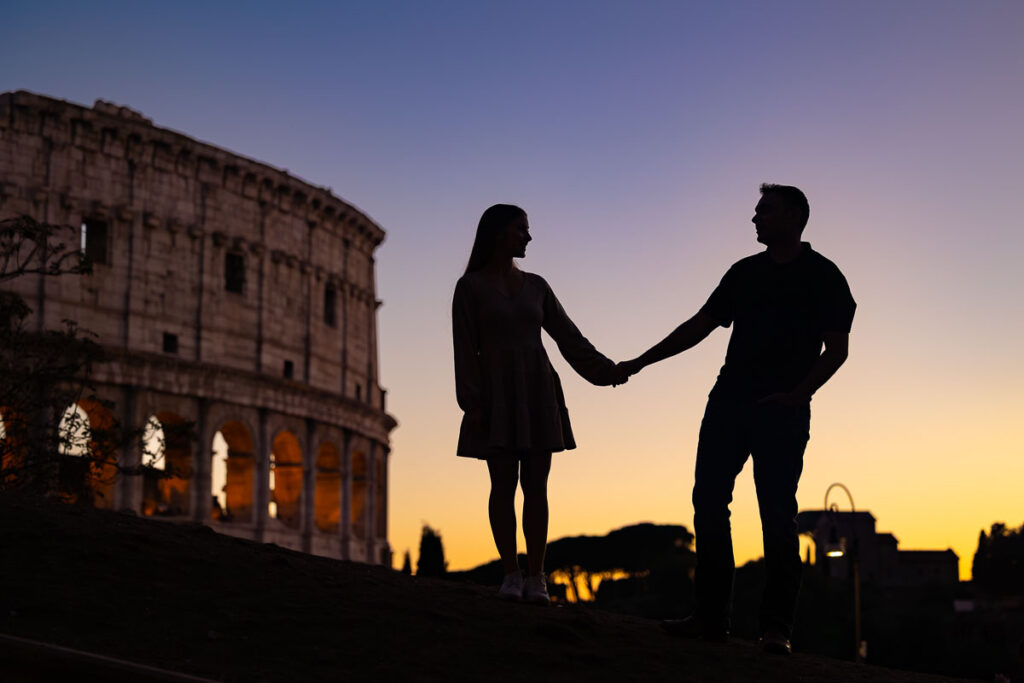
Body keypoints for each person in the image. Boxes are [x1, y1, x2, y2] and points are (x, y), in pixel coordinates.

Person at [619, 184, 855, 654]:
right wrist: (640, 361)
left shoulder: (825, 276)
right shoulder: (744, 273)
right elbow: (699, 326)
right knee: (708, 504)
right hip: (728, 403)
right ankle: (710, 619)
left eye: (763, 211)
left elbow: (838, 350)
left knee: (777, 516)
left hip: (782, 412)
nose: (754, 219)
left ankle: (776, 630)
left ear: (793, 215)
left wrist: (796, 395)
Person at [453, 204, 628, 605]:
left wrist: (607, 371)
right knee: (502, 486)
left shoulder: (538, 286)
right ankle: (510, 573)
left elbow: (569, 338)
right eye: (521, 230)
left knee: (536, 487)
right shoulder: (470, 288)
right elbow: (464, 350)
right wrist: (472, 403)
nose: (528, 238)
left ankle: (537, 577)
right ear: (499, 233)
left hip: (537, 391)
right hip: (495, 395)